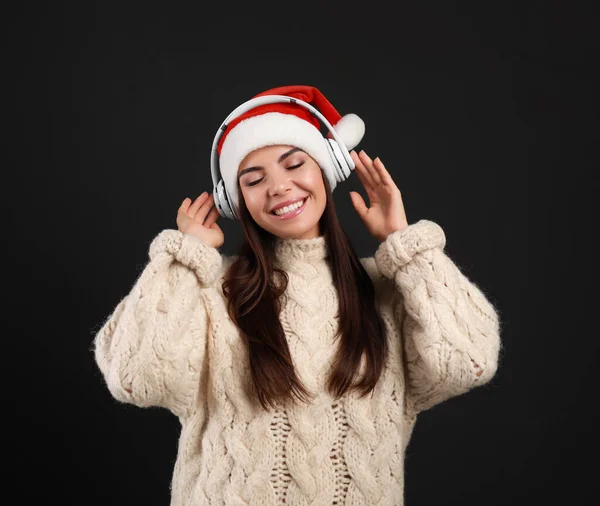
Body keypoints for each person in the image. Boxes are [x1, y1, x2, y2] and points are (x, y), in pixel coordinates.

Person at [93, 85, 501, 506]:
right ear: (237, 200)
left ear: (325, 170)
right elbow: (136, 379)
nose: (279, 187)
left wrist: (406, 244)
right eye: (254, 180)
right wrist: (183, 258)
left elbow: (467, 362)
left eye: (294, 165)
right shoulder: (212, 292)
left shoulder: (389, 288)